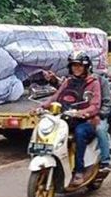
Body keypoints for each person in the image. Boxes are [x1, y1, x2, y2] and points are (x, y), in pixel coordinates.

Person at [39, 52, 101, 186]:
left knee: (79, 133)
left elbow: (95, 106)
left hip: (86, 121)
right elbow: (55, 97)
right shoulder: (67, 82)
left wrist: (81, 112)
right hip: (66, 119)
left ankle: (79, 171)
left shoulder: (93, 83)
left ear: (86, 67)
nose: (76, 68)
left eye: (79, 66)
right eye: (74, 66)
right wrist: (41, 107)